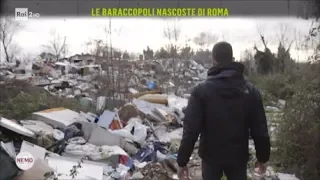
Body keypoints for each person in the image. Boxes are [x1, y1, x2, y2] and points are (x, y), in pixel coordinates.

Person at [177, 42, 271, 180]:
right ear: (232, 58)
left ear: (213, 59)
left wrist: (182, 161)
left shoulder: (201, 91)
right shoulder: (250, 91)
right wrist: (262, 158)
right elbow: (260, 129)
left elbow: (191, 130)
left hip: (210, 157)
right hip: (238, 157)